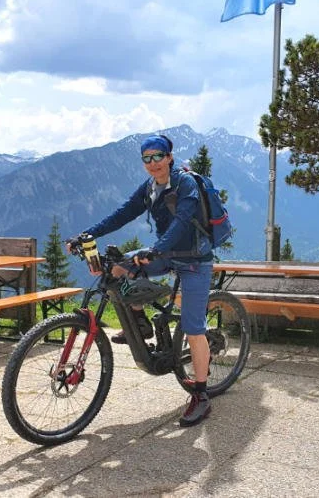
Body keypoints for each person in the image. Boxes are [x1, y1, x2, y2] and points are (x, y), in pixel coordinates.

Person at [67, 134, 214, 427]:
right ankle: (140, 322)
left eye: (158, 156)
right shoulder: (149, 188)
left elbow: (183, 221)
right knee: (119, 269)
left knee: (194, 328)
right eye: (146, 158)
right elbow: (121, 214)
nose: (153, 163)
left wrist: (156, 249)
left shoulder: (185, 183)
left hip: (195, 259)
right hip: (166, 252)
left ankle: (200, 393)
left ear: (169, 157)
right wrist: (88, 235)